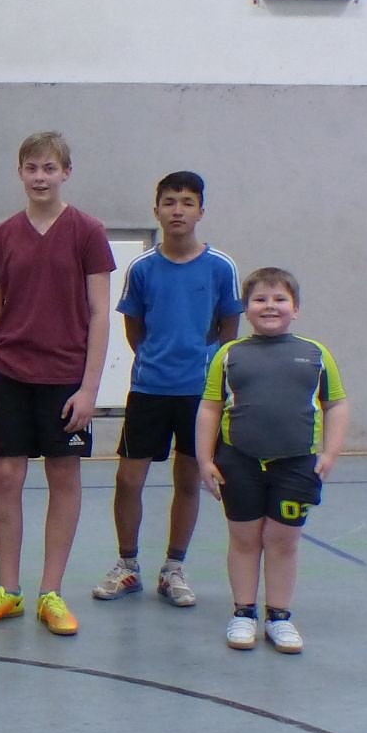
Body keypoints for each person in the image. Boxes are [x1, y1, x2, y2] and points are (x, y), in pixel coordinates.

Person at [0, 131, 115, 636]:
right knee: (7, 476)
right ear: (20, 173)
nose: (40, 177)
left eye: (49, 168)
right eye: (31, 168)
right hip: (11, 374)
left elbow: (100, 313)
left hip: (65, 378)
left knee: (63, 476)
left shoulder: (88, 231)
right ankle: (8, 590)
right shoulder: (4, 236)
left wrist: (90, 389)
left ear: (66, 173)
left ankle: (51, 592)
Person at [92, 172, 241, 607]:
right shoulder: (141, 269)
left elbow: (228, 329)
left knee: (188, 480)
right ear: (156, 210)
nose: (178, 210)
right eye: (170, 202)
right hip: (149, 390)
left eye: (187, 202)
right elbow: (134, 329)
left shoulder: (221, 267)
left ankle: (174, 567)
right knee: (128, 479)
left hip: (198, 395)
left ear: (200, 211)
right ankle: (127, 565)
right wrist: (156, 360)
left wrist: (207, 369)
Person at [197, 267, 348, 653]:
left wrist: (330, 453)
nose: (270, 306)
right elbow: (210, 407)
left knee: (283, 541)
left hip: (296, 466)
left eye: (280, 299)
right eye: (260, 299)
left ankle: (279, 616)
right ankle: (243, 613)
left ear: (295, 309)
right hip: (239, 463)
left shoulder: (316, 354)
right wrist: (204, 459)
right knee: (244, 539)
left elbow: (336, 404)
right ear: (246, 308)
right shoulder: (229, 355)